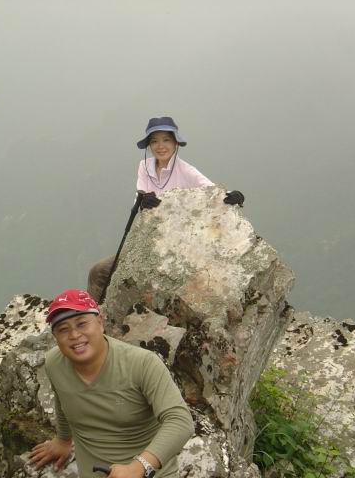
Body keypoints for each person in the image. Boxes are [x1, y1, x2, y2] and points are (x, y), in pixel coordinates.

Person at [28, 289, 194, 478]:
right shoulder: (54, 363)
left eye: (82, 324)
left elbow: (180, 421)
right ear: (55, 337)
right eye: (63, 329)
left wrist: (138, 467)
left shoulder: (142, 364)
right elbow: (63, 397)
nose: (74, 335)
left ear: (100, 322)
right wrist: (63, 440)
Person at [87, 116, 245, 300]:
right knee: (98, 271)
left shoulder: (185, 170)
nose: (160, 146)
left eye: (166, 140)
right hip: (148, 240)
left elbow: (210, 189)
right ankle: (93, 312)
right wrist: (143, 201)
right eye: (154, 141)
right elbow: (140, 195)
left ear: (175, 142)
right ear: (149, 145)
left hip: (176, 243)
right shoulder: (144, 166)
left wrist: (233, 195)